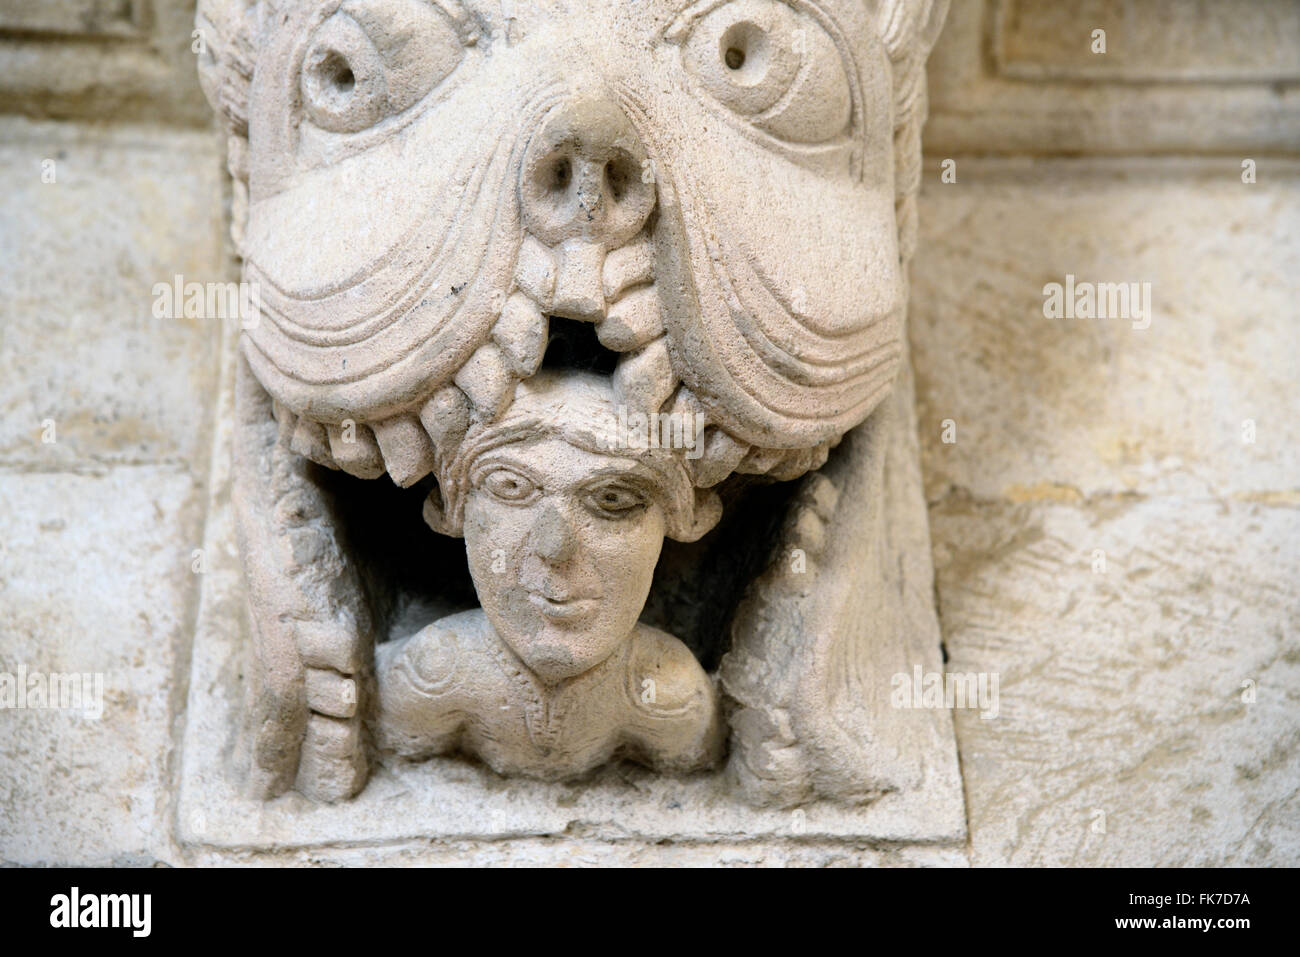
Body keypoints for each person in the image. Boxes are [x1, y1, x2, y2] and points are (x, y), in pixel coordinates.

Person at [375, 371, 724, 779]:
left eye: (612, 499)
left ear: (684, 521)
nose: (555, 547)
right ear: (450, 510)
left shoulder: (668, 690)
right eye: (510, 487)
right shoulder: (435, 671)